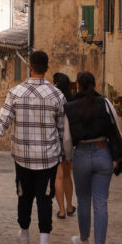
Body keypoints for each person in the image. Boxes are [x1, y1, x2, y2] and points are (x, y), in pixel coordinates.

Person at [0, 50, 66, 244]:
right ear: (47, 67)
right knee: (45, 199)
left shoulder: (16, 92)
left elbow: (3, 121)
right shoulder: (57, 95)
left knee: (24, 195)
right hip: (48, 158)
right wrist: (64, 153)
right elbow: (62, 129)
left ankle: (25, 236)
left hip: (23, 157)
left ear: (30, 67)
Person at [63, 71, 122, 244]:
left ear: (79, 87)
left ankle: (84, 241)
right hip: (103, 153)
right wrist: (120, 157)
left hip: (81, 154)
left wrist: (68, 157)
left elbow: (67, 138)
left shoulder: (70, 107)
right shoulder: (105, 103)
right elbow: (116, 129)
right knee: (101, 201)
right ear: (94, 84)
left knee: (83, 200)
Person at [52, 72, 75, 219]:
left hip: (55, 140)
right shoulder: (72, 101)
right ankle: (69, 206)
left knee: (58, 177)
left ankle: (61, 211)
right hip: (68, 140)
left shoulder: (54, 99)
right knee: (67, 175)